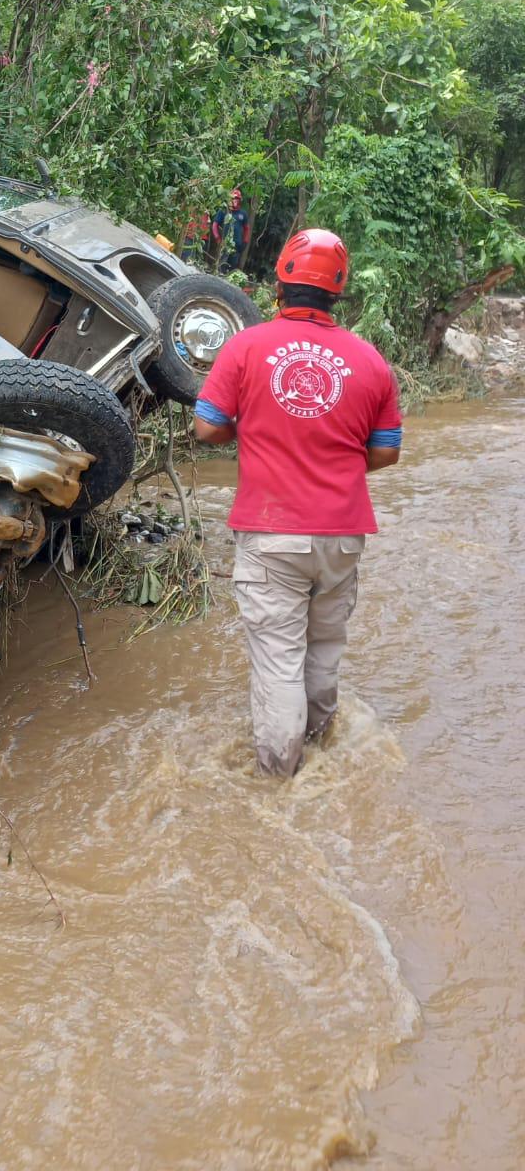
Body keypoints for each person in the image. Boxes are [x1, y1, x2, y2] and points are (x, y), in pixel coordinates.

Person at [192, 228, 402, 777]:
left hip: (271, 533)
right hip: (343, 534)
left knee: (278, 660)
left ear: (279, 283)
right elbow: (385, 453)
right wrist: (336, 459)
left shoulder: (245, 347)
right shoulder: (370, 361)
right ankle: (321, 746)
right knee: (324, 649)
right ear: (338, 291)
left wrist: (258, 431)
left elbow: (207, 428)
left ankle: (278, 780)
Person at [211, 188, 250, 271]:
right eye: (233, 198)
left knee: (232, 269)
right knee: (221, 266)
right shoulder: (223, 211)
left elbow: (246, 229)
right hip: (225, 245)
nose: (235, 200)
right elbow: (215, 225)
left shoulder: (243, 214)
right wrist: (218, 239)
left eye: (237, 199)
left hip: (237, 246)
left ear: (240, 200)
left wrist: (245, 242)